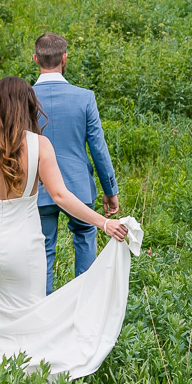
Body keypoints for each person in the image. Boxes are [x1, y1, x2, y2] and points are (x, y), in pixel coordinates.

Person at [0, 76, 141, 378]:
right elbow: (60, 195)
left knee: (0, 309)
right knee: (33, 313)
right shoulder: (39, 145)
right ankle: (33, 381)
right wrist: (103, 222)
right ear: (28, 106)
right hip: (23, 244)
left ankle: (1, 374)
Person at [31, 32, 119, 293]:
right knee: (84, 238)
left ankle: (43, 314)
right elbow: (98, 149)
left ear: (36, 59)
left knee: (43, 251)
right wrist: (109, 191)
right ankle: (85, 307)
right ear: (65, 58)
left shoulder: (25, 98)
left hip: (38, 190)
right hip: (78, 189)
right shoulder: (84, 97)